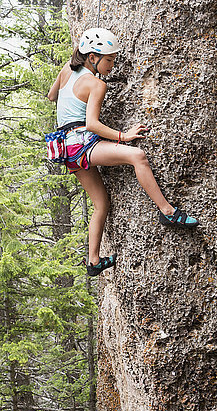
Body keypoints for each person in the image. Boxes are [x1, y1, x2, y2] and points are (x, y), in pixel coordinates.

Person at [47, 28, 198, 276]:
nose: (112, 65)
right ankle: (168, 211)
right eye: (109, 60)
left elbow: (52, 95)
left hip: (64, 148)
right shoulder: (96, 84)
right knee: (136, 155)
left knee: (101, 203)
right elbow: (93, 124)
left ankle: (93, 260)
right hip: (80, 143)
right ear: (93, 57)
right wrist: (124, 136)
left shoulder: (67, 70)